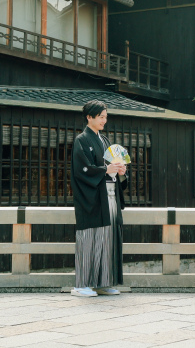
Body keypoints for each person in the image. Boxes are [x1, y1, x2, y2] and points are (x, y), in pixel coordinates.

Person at [70, 100, 128, 297]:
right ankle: (82, 284)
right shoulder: (81, 140)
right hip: (92, 199)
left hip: (110, 197)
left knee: (108, 239)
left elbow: (112, 167)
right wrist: (105, 169)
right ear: (89, 117)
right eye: (101, 117)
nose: (104, 120)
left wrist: (120, 171)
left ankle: (104, 282)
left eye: (105, 117)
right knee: (90, 239)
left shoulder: (104, 141)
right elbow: (82, 170)